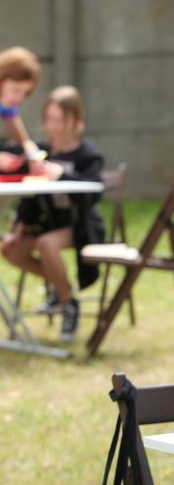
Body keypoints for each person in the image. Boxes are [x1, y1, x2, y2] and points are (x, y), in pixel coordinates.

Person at [0, 85, 105, 342]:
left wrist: (62, 174)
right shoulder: (41, 151)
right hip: (49, 224)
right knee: (10, 250)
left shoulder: (87, 154)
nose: (53, 126)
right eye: (49, 119)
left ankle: (68, 304)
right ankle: (62, 288)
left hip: (81, 227)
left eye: (59, 120)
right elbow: (31, 200)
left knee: (47, 244)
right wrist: (17, 231)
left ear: (75, 122)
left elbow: (92, 196)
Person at [0, 46, 45, 167]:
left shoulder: (6, 105)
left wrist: (32, 153)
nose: (19, 98)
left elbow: (24, 141)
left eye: (25, 93)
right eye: (16, 90)